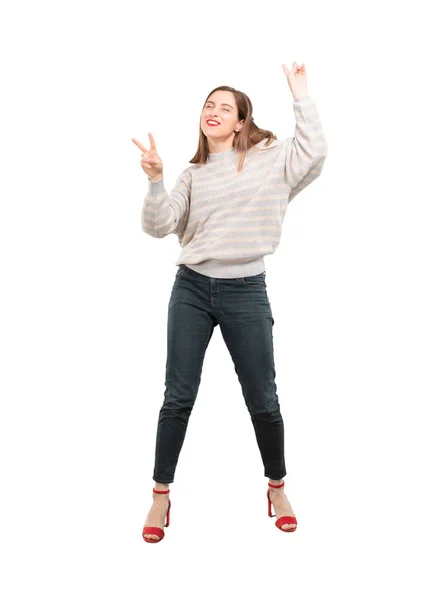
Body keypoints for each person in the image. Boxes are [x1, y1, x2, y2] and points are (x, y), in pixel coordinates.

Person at [132, 62, 328, 543]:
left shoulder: (271, 158)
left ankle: (276, 487)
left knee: (264, 398)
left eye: (226, 107)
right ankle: (160, 496)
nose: (213, 112)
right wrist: (156, 179)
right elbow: (158, 227)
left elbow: (315, 154)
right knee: (177, 397)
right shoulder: (193, 174)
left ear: (241, 121)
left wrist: (300, 94)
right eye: (208, 105)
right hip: (192, 289)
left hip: (246, 291)